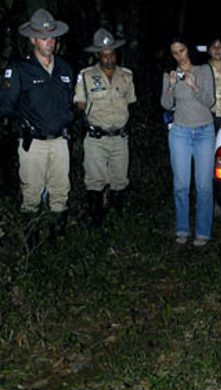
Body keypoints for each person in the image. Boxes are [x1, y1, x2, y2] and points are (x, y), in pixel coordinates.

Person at [0, 8, 73, 247]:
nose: (49, 41)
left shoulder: (65, 69)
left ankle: (56, 242)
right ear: (32, 39)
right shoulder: (19, 69)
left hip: (60, 142)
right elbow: (6, 105)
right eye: (43, 37)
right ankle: (32, 246)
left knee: (61, 192)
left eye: (52, 37)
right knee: (31, 195)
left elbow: (70, 102)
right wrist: (24, 124)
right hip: (33, 144)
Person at [74, 28, 137, 227]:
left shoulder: (127, 75)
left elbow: (130, 102)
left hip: (120, 137)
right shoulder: (85, 76)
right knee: (95, 180)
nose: (109, 58)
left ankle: (117, 220)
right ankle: (96, 221)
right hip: (96, 138)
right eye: (104, 54)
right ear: (98, 55)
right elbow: (80, 104)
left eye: (112, 53)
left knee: (120, 179)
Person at [161, 35, 215, 247]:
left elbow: (210, 101)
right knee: (181, 185)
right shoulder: (170, 73)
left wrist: (194, 86)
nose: (179, 56)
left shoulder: (204, 70)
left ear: (189, 49)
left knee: (204, 186)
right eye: (174, 53)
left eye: (182, 50)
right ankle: (182, 229)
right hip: (180, 132)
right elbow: (166, 104)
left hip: (204, 131)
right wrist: (171, 86)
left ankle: (203, 231)